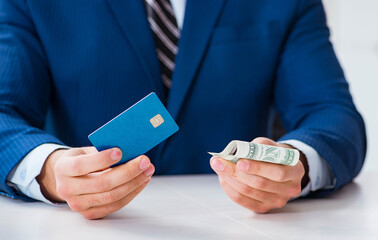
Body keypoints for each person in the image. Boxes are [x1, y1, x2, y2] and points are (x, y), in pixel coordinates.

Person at [0, 0, 366, 220]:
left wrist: (294, 164)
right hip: (88, 228)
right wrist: (50, 172)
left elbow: (333, 116)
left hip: (240, 224)